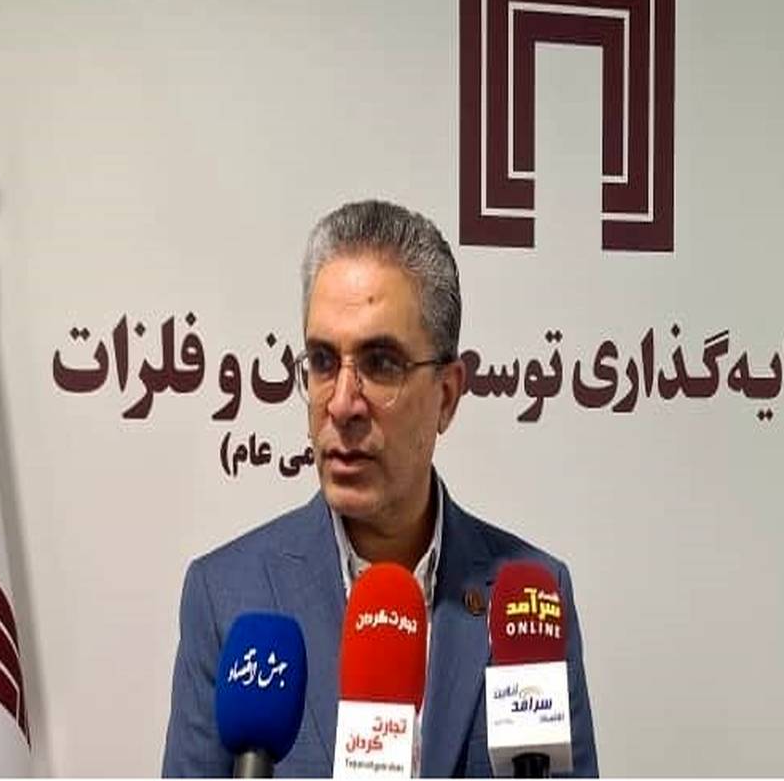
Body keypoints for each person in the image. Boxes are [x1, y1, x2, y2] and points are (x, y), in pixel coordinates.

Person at [161, 200, 598, 777]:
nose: (342, 404)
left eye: (381, 363)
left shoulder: (532, 602)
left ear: (446, 396)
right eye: (323, 360)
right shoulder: (227, 597)